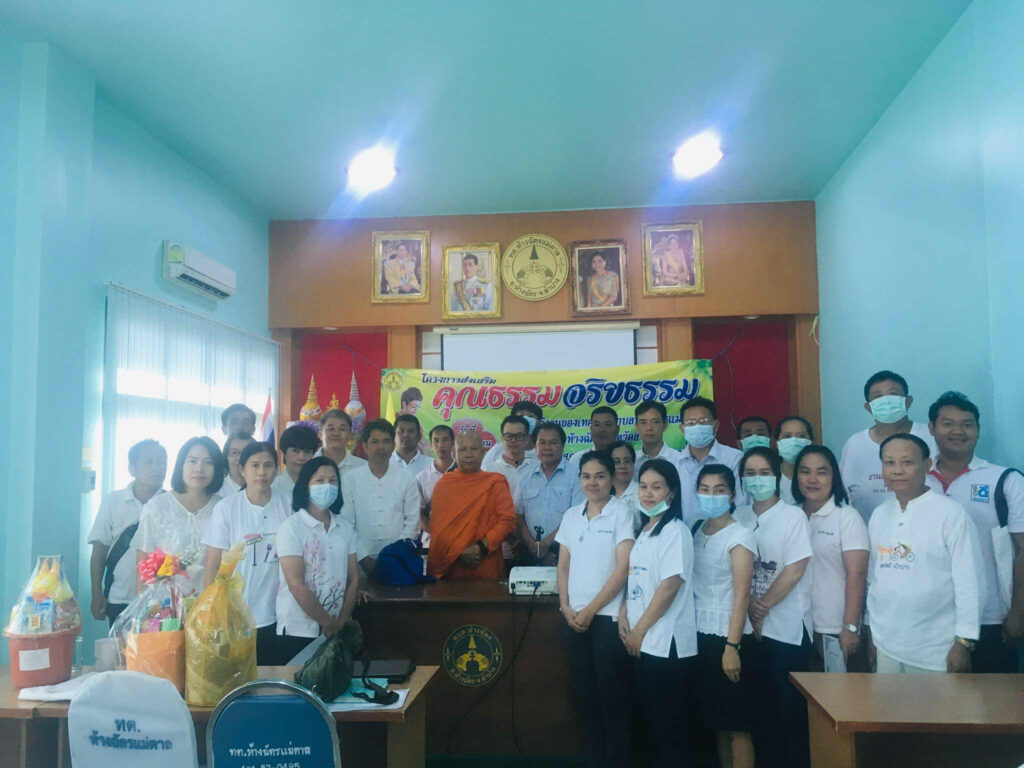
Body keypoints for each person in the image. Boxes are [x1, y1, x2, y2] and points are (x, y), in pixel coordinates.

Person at [924, 391, 1024, 671]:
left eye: (967, 424)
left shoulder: (1005, 480)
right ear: (931, 428)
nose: (957, 431)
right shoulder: (917, 481)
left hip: (991, 617)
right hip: (929, 620)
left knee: (992, 697)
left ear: (978, 430)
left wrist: (1018, 613)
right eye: (947, 423)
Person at [866, 434, 982, 674]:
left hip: (936, 650)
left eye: (907, 462)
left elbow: (970, 582)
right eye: (889, 463)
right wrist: (872, 634)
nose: (897, 470)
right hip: (885, 645)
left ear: (927, 465)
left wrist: (964, 641)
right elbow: (873, 579)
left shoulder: (951, 514)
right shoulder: (879, 514)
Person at [733, 446, 812, 768]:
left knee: (789, 712)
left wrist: (761, 606)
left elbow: (795, 568)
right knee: (758, 712)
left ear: (777, 475)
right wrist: (749, 610)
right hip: (747, 632)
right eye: (750, 473)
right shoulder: (738, 516)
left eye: (764, 473)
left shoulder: (792, 516)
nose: (757, 479)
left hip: (785, 630)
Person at [555, 451, 634, 766]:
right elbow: (563, 565)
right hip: (573, 618)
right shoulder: (571, 515)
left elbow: (623, 569)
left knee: (612, 697)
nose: (593, 482)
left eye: (600, 476)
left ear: (611, 478)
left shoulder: (622, 513)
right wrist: (565, 606)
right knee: (584, 696)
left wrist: (590, 610)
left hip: (607, 619)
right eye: (586, 476)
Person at [619, 459, 697, 767]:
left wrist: (639, 630)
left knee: (669, 728)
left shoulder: (675, 531)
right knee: (653, 724)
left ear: (672, 493)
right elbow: (636, 580)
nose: (648, 494)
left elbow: (669, 586)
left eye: (657, 487)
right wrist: (625, 613)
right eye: (643, 486)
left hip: (666, 644)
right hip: (644, 641)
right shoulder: (646, 530)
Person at [691, 464, 756, 768]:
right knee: (717, 721)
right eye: (705, 490)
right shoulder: (695, 529)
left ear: (731, 496)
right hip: (698, 636)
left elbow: (742, 595)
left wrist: (732, 646)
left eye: (719, 490)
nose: (711, 496)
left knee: (737, 725)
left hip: (728, 637)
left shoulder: (740, 535)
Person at [203, 441, 292, 664]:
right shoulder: (227, 508)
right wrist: (211, 610)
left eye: (268, 465)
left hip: (279, 612)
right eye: (254, 465)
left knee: (271, 673)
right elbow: (213, 563)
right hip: (236, 612)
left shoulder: (288, 504)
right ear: (242, 470)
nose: (261, 472)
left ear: (277, 469)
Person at [275, 456, 360, 664]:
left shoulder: (344, 527)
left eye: (333, 481)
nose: (327, 486)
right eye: (319, 480)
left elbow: (353, 578)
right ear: (306, 485)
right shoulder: (291, 527)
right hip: (298, 629)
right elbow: (296, 584)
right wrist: (328, 623)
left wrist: (341, 622)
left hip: (337, 626)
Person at [793, 445, 869, 672]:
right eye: (805, 471)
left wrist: (850, 626)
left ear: (834, 477)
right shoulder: (791, 515)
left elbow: (857, 574)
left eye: (822, 472)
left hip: (834, 627)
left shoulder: (847, 517)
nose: (812, 479)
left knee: (839, 692)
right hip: (796, 626)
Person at [839, 370, 938, 523]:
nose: (886, 401)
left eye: (893, 394)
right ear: (868, 407)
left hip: (928, 528)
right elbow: (843, 492)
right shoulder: (854, 444)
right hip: (870, 533)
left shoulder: (931, 436)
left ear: (908, 401)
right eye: (878, 396)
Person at [132, 437, 225, 595]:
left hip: (210, 602)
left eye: (208, 462)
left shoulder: (223, 508)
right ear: (181, 465)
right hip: (164, 602)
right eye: (192, 461)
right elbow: (144, 560)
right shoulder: (157, 506)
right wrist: (142, 602)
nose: (199, 468)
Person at [89, 440, 167, 626]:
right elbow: (99, 551)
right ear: (132, 469)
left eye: (161, 461)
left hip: (160, 600)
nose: (156, 467)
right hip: (119, 598)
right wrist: (96, 593)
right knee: (119, 645)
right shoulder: (113, 501)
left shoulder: (172, 503)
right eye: (148, 462)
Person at [427, 431, 518, 579]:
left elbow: (508, 521)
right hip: (452, 566)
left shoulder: (495, 482)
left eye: (474, 449)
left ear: (483, 452)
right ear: (454, 453)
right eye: (463, 449)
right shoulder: (443, 485)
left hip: (487, 563)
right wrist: (459, 552)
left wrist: (481, 547)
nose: (469, 455)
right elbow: (438, 529)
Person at [340, 419, 420, 572]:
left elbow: (412, 523)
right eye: (375, 441)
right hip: (358, 562)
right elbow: (346, 523)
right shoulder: (350, 479)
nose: (381, 447)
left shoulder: (406, 479)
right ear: (365, 446)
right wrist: (363, 558)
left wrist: (396, 555)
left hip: (399, 560)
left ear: (393, 446)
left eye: (386, 441)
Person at [516, 422, 583, 566]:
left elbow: (576, 516)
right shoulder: (525, 476)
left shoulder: (576, 475)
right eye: (542, 443)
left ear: (562, 445)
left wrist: (545, 545)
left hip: (564, 550)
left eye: (553, 443)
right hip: (529, 550)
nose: (547, 448)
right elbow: (519, 516)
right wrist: (534, 546)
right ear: (535, 446)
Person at [676, 397, 744, 526]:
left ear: (716, 425)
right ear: (682, 429)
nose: (697, 426)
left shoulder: (734, 459)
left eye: (704, 421)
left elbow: (740, 505)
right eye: (690, 422)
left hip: (725, 533)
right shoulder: (674, 463)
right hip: (685, 535)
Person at [483, 400, 543, 465]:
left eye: (530, 416)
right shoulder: (498, 449)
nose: (525, 419)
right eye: (521, 416)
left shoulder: (544, 451)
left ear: (539, 422)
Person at [633, 400, 681, 480]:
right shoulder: (632, 461)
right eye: (643, 422)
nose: (649, 428)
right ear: (636, 427)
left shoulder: (679, 460)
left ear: (665, 425)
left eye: (655, 422)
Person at [271, 424, 321, 497]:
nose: (302, 457)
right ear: (284, 453)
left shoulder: (321, 486)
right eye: (295, 451)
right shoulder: (272, 487)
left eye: (307, 452)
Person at [775, 416, 815, 505]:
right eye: (787, 436)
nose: (794, 441)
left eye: (801, 436)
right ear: (777, 444)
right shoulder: (769, 478)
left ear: (811, 442)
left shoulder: (819, 479)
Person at [567, 406, 620, 471]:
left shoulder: (625, 459)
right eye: (597, 425)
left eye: (607, 425)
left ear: (617, 429)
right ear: (591, 429)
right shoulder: (577, 459)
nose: (601, 429)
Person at [416, 424, 457, 507]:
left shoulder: (465, 472)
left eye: (445, 440)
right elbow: (419, 510)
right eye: (436, 440)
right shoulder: (422, 478)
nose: (440, 445)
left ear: (453, 443)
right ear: (431, 445)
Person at [317, 409, 367, 476]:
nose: (336, 433)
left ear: (350, 435)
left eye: (342, 429)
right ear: (320, 434)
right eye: (331, 429)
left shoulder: (363, 467)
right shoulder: (309, 464)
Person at [609, 440, 639, 521]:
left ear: (633, 464)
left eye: (627, 461)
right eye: (616, 462)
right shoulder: (602, 492)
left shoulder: (641, 493)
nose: (622, 466)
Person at [221, 430, 254, 495]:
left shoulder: (264, 487)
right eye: (234, 453)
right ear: (226, 456)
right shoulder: (218, 490)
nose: (240, 458)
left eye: (246, 453)